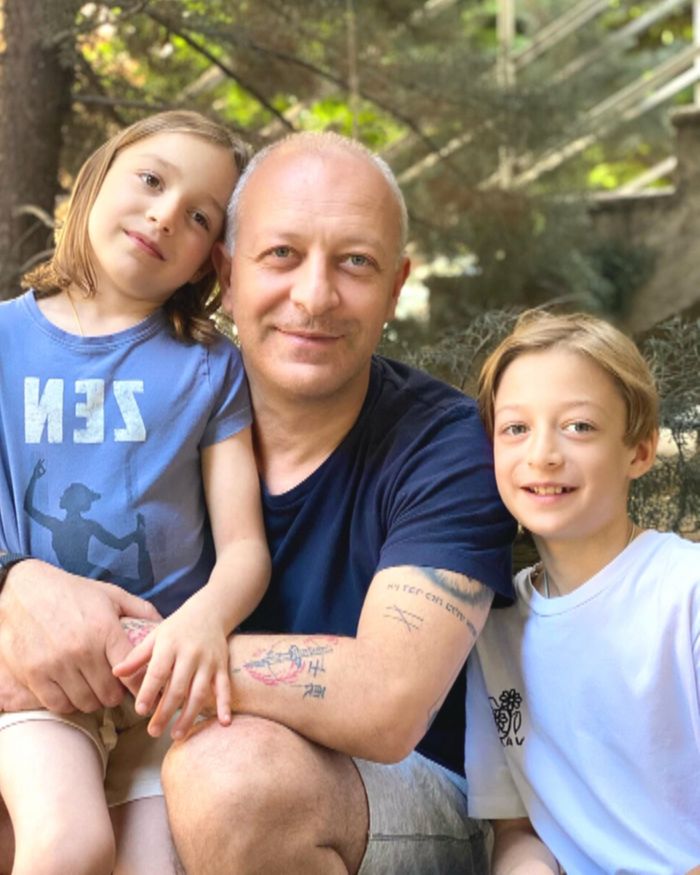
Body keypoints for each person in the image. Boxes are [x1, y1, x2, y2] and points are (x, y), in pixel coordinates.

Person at [144, 131, 517, 875]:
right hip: (167, 759)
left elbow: (386, 701)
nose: (315, 296)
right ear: (226, 273)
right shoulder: (149, 414)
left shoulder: (447, 444)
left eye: (355, 262)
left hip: (403, 792)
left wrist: (146, 660)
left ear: (396, 287)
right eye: (282, 254)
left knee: (231, 778)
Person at [0, 110, 270, 875]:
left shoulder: (209, 367)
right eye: (151, 180)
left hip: (158, 685)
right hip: (44, 679)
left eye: (199, 216)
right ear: (96, 178)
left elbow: (244, 547)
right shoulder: (5, 339)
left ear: (210, 261)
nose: (165, 214)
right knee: (69, 843)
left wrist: (206, 620)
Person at [465, 310, 700, 874]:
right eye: (515, 429)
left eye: (579, 426)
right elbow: (517, 829)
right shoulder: (492, 625)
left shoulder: (685, 593)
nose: (542, 454)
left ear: (639, 451)